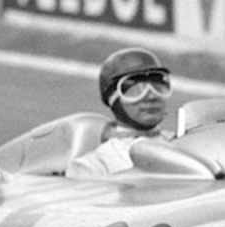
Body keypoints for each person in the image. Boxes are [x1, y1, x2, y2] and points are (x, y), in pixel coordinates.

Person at [66, 47, 172, 177]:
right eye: (135, 91)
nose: (151, 97)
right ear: (112, 99)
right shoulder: (95, 165)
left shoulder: (185, 142)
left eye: (158, 87)